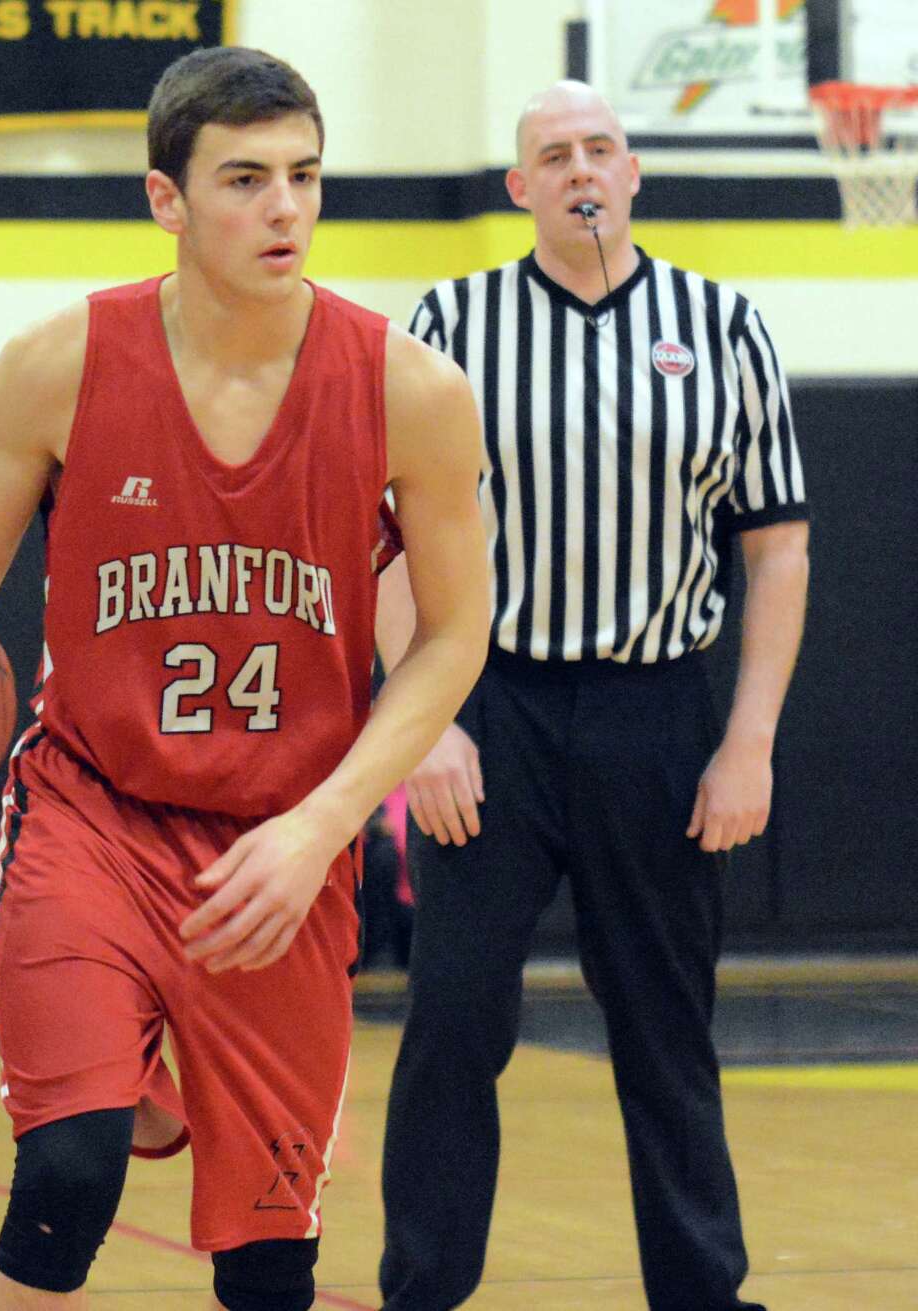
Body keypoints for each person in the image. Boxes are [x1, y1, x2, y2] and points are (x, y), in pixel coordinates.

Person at [0, 48, 489, 1311]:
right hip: (91, 814)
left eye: (306, 177)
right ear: (167, 201)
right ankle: (125, 1078)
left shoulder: (410, 390)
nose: (286, 210)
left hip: (278, 846)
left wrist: (323, 826)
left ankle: (171, 1069)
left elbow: (452, 636)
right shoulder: (61, 362)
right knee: (66, 1171)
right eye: (247, 180)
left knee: (269, 1269)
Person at [376, 80, 810, 1311]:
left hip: (656, 711)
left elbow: (778, 549)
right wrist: (427, 722)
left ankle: (701, 1294)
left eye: (601, 148)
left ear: (633, 174)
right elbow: (384, 539)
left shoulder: (724, 327)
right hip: (491, 705)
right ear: (518, 188)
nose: (581, 169)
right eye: (553, 153)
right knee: (457, 1023)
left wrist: (750, 745)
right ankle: (420, 1291)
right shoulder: (448, 324)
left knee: (666, 1030)